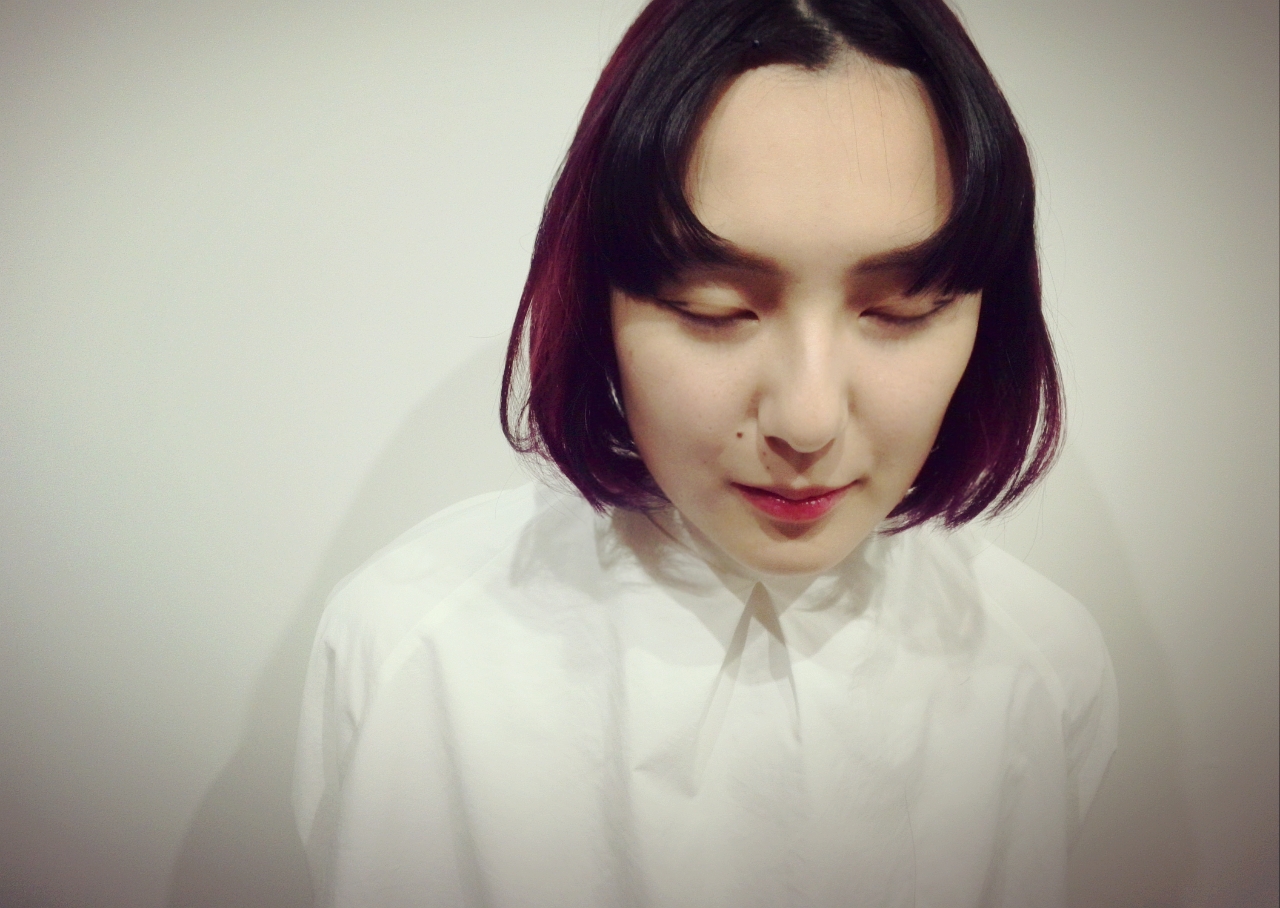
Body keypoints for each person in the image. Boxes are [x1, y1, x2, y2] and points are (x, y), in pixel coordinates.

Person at [293, 1, 1119, 906]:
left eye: (902, 310)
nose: (806, 421)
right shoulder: (416, 657)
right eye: (713, 309)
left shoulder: (1039, 668)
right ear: (601, 302)